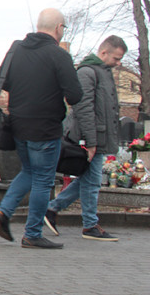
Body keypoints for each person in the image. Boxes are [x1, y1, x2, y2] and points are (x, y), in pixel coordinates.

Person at [0, 8, 82, 249]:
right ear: (59, 28)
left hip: (18, 124)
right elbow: (75, 95)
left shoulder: (17, 49)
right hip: (45, 128)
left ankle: (3, 212)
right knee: (43, 180)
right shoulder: (58, 55)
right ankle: (32, 233)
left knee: (29, 171)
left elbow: (5, 82)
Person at [44, 36, 126, 241]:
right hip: (90, 138)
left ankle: (52, 209)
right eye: (116, 58)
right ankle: (89, 225)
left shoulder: (102, 73)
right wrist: (91, 141)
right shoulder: (88, 72)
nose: (118, 63)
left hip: (97, 137)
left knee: (88, 180)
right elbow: (83, 107)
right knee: (92, 182)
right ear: (104, 52)